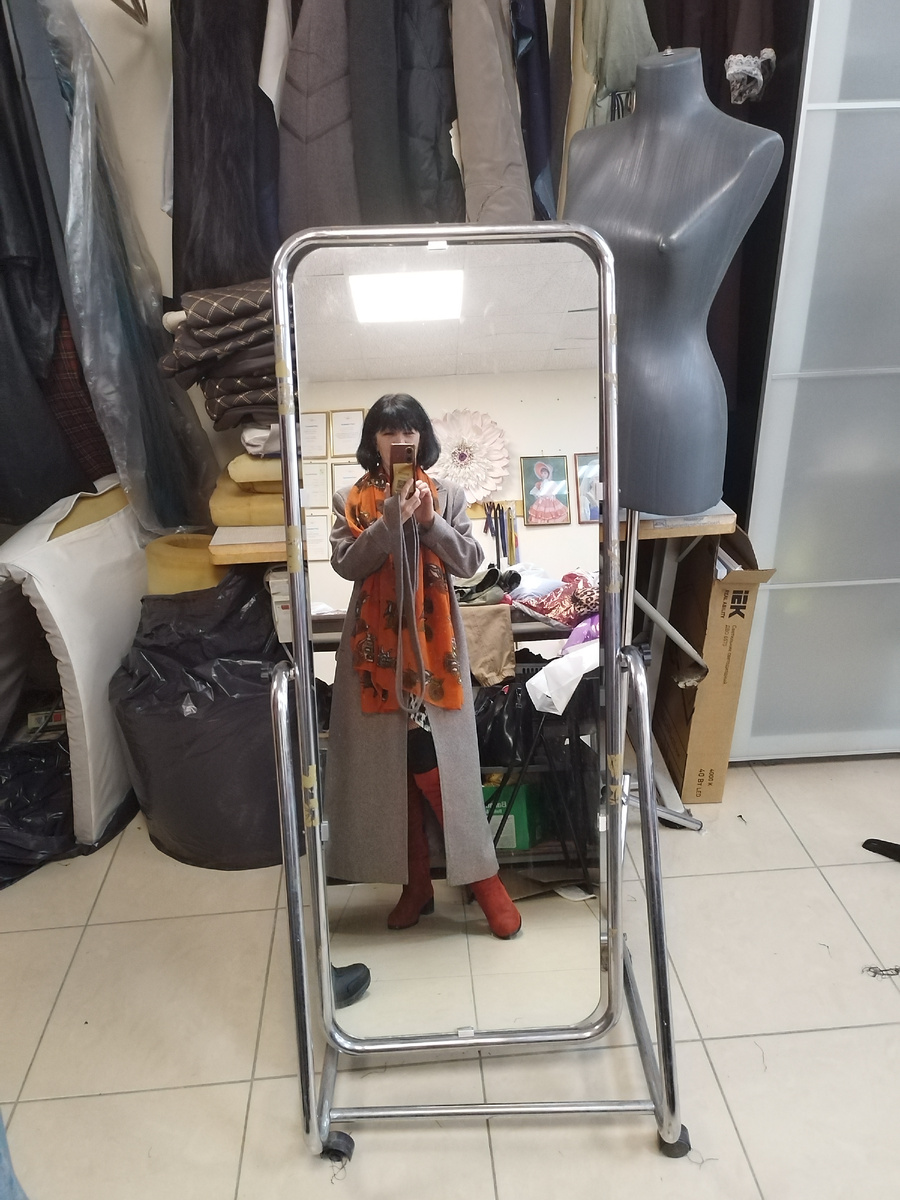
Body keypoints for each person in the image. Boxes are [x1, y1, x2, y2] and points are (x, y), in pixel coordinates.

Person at [324, 394, 522, 938]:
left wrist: (431, 521)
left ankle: (485, 882)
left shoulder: (448, 494)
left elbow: (470, 562)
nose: (400, 439)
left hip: (436, 651)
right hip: (374, 653)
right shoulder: (348, 499)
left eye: (409, 429)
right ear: (374, 441)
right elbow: (347, 565)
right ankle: (416, 885)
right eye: (389, 431)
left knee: (439, 765)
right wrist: (388, 521)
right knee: (392, 770)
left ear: (423, 438)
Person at [564, 47, 783, 515]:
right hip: (585, 400)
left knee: (649, 546)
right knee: (585, 543)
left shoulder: (749, 149)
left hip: (674, 410)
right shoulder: (585, 148)